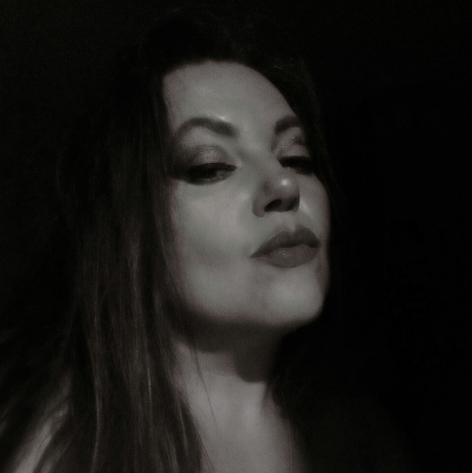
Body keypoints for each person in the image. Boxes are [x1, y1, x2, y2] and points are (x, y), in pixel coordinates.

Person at [0, 6, 413, 473]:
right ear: (126, 228)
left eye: (296, 158)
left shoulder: (362, 440)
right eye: (210, 166)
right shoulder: (53, 448)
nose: (285, 184)